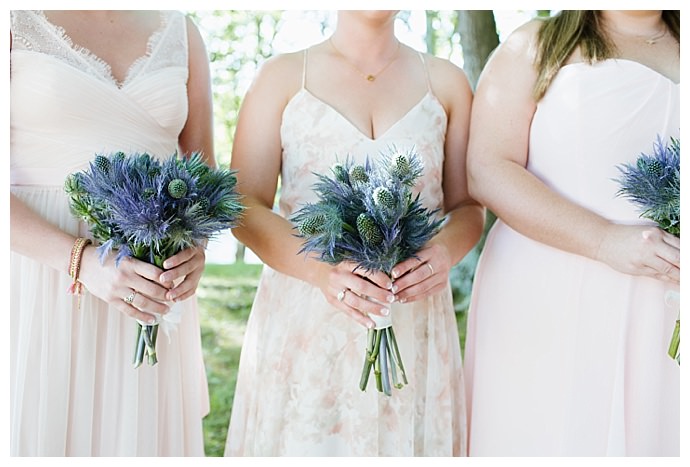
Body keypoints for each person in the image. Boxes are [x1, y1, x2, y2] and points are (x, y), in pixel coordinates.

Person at [224, 10, 482, 456]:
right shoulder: (281, 77)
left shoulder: (447, 83)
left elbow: (467, 208)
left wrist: (441, 254)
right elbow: (244, 205)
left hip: (412, 316)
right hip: (306, 315)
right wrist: (322, 273)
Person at [464, 10, 679, 456]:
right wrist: (604, 240)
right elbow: (487, 168)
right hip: (554, 284)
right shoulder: (536, 44)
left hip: (667, 296)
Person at [10, 10, 214, 456]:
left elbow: (203, 174)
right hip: (41, 279)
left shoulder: (181, 32)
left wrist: (195, 248)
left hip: (151, 279)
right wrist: (83, 262)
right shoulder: (13, 19)